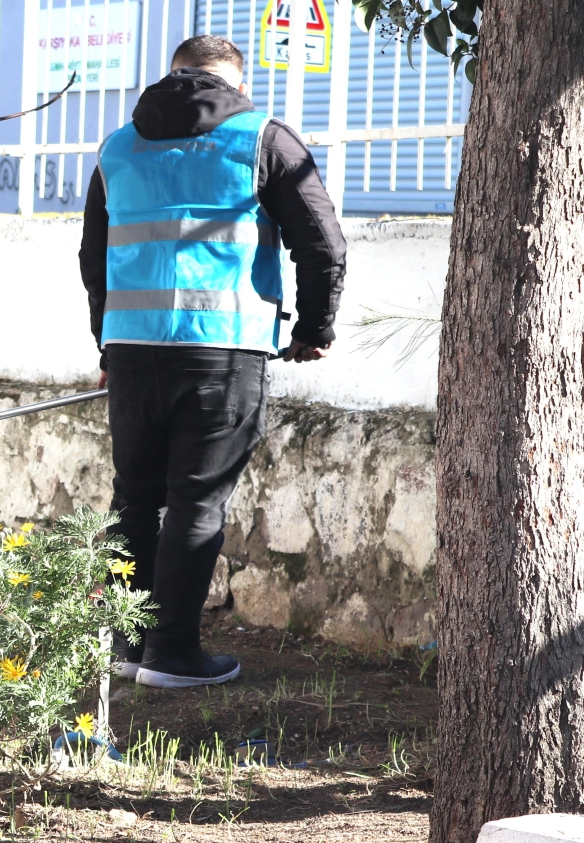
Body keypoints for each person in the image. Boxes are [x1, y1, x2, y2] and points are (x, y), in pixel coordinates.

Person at [79, 34, 345, 689]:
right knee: (195, 502)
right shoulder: (263, 138)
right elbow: (324, 247)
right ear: (235, 82)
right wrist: (313, 329)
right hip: (222, 352)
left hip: (133, 352)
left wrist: (106, 345)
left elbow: (93, 256)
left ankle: (128, 643)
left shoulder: (118, 146)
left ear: (174, 74)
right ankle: (172, 655)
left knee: (134, 502)